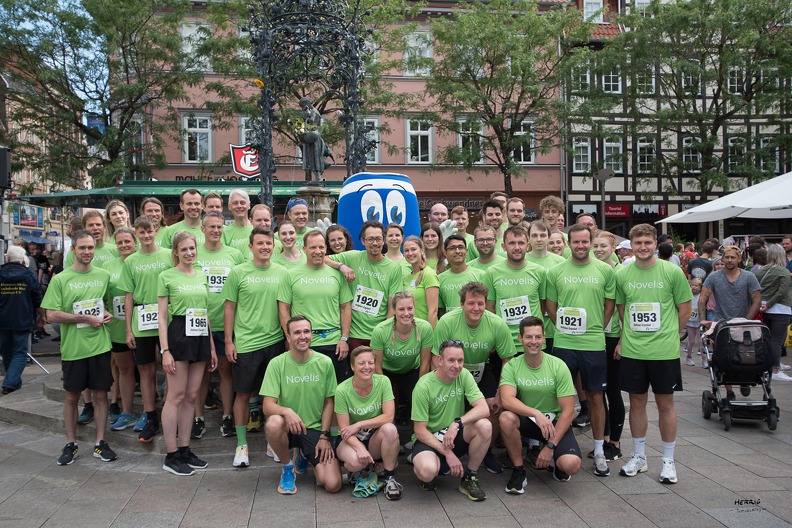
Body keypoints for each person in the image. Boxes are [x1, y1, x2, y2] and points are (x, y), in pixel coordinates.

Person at [615, 223, 692, 485]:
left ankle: (668, 461)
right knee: (636, 403)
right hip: (634, 350)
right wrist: (627, 337)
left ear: (655, 245)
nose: (643, 247)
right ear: (631, 245)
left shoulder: (671, 271)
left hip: (663, 351)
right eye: (638, 243)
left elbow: (685, 309)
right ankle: (639, 456)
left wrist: (670, 333)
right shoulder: (622, 274)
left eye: (648, 242)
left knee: (665, 404)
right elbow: (623, 309)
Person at [545, 223, 616, 478]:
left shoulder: (605, 271)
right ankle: (557, 447)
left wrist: (595, 328)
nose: (580, 246)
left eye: (585, 241)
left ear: (591, 242)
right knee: (559, 398)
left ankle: (599, 450)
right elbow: (550, 306)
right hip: (564, 343)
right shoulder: (555, 271)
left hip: (593, 344)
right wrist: (565, 329)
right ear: (568, 244)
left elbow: (610, 305)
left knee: (596, 397)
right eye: (575, 242)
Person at [42, 230, 118, 465]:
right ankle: (71, 443)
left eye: (90, 247)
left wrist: (106, 313)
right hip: (74, 349)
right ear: (73, 250)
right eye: (82, 248)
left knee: (101, 395)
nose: (87, 251)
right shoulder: (60, 279)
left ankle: (100, 442)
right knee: (72, 396)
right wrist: (84, 318)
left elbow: (106, 304)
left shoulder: (103, 275)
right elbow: (51, 314)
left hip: (100, 346)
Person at [432, 281, 516, 474]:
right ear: (462, 304)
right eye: (471, 303)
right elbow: (436, 357)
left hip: (480, 368)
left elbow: (507, 359)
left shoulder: (496, 323)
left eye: (480, 303)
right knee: (445, 402)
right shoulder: (447, 321)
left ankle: (486, 451)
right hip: (452, 371)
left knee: (494, 406)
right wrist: (440, 387)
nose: (476, 308)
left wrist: (500, 392)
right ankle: (441, 446)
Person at [223, 227, 288, 467]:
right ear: (250, 247)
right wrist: (229, 341)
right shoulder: (238, 273)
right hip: (247, 344)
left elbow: (285, 308)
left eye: (269, 243)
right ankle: (242, 445)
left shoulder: (282, 272)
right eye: (260, 243)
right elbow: (229, 308)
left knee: (274, 395)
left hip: (275, 342)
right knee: (242, 394)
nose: (265, 247)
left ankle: (273, 441)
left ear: (274, 246)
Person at [156, 231, 217, 475]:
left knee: (192, 395)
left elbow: (205, 312)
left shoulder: (201, 274)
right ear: (176, 252)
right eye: (184, 249)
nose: (189, 253)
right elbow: (162, 316)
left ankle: (184, 449)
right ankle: (171, 454)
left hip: (200, 333)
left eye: (192, 248)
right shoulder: (166, 276)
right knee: (176, 395)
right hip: (179, 333)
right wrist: (165, 350)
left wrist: (211, 347)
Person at [499, 317, 581, 493]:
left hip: (554, 424)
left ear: (544, 338)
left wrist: (550, 447)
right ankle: (519, 470)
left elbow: (568, 410)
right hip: (529, 421)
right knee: (506, 418)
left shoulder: (558, 366)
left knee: (571, 465)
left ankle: (556, 461)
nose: (533, 341)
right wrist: (536, 413)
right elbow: (506, 399)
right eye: (528, 337)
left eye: (538, 337)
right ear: (520, 338)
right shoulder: (512, 366)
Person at [262, 315, 341, 495]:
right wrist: (286, 411)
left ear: (312, 334)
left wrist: (325, 436)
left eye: (306, 331)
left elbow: (329, 402)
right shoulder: (276, 364)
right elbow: (267, 406)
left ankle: (304, 454)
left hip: (313, 428)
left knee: (332, 484)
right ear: (288, 337)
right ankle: (287, 467)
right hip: (288, 427)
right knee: (273, 423)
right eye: (297, 332)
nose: (303, 336)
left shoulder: (325, 362)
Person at [411, 339, 491, 501]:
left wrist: (457, 423)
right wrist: (448, 454)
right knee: (427, 472)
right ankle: (430, 468)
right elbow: (419, 431)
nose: (457, 365)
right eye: (451, 360)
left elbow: (484, 408)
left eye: (460, 360)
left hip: (453, 436)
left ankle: (469, 478)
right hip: (430, 440)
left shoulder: (464, 375)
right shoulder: (423, 386)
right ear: (440, 361)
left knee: (485, 425)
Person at [192, 212, 245, 439]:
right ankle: (198, 418)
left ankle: (227, 416)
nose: (215, 230)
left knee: (225, 370)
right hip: (199, 322)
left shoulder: (234, 254)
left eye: (219, 227)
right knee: (200, 373)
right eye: (211, 227)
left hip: (226, 323)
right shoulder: (194, 253)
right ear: (202, 229)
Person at [119, 215, 172, 441]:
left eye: (150, 230)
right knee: (146, 370)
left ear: (156, 231)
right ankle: (150, 417)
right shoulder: (131, 261)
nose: (147, 235)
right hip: (142, 320)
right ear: (136, 234)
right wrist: (128, 329)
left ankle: (170, 412)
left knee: (171, 368)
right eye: (142, 232)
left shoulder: (169, 255)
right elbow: (128, 296)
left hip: (167, 318)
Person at [278, 229, 352, 383]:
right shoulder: (291, 275)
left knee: (336, 390)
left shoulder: (337, 275)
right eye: (312, 247)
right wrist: (290, 338)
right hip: (304, 342)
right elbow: (284, 309)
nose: (317, 251)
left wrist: (344, 338)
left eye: (321, 247)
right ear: (304, 249)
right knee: (306, 388)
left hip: (334, 343)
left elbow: (345, 308)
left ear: (326, 248)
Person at [335, 346, 403, 500]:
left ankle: (389, 477)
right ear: (352, 366)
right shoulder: (342, 390)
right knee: (355, 462)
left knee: (390, 429)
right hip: (350, 438)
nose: (367, 367)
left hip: (373, 436)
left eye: (370, 363)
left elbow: (389, 416)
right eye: (361, 363)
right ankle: (360, 470)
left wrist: (359, 424)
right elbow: (344, 429)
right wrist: (360, 448)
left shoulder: (383, 381)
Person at [327, 220, 403, 352]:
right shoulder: (353, 257)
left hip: (378, 334)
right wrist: (341, 266)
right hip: (354, 334)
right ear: (363, 241)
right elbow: (323, 258)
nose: (375, 243)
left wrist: (385, 333)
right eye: (370, 239)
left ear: (384, 240)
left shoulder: (394, 268)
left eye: (378, 239)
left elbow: (392, 306)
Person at [699, 245, 761, 400]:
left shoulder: (748, 277)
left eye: (733, 257)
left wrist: (748, 320)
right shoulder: (714, 277)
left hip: (743, 323)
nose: (729, 260)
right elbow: (703, 298)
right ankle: (729, 391)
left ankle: (745, 380)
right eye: (726, 257)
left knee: (746, 355)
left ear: (739, 259)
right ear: (722, 259)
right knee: (723, 358)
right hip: (722, 323)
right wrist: (702, 319)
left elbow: (756, 299)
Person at [371, 292, 434, 425]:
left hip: (412, 370)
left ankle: (418, 431)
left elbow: (425, 363)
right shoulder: (381, 331)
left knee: (420, 401)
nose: (406, 313)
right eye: (401, 309)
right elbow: (376, 366)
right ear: (394, 310)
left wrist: (420, 389)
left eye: (410, 308)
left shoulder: (425, 328)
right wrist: (385, 391)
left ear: (414, 308)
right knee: (388, 407)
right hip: (386, 372)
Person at [591, 230, 625, 461]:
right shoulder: (592, 270)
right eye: (596, 246)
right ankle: (602, 438)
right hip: (595, 338)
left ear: (613, 247)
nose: (599, 250)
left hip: (614, 337)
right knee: (597, 391)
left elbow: (624, 309)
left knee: (613, 390)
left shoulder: (620, 272)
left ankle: (615, 441)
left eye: (603, 246)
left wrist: (622, 341)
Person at [484, 226, 547, 350]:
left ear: (528, 246)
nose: (517, 247)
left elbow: (542, 304)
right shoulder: (492, 272)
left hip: (533, 341)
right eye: (512, 243)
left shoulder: (539, 271)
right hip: (504, 341)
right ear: (503, 246)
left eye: (521, 243)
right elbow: (490, 308)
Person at [104, 228, 139, 431]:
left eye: (127, 241)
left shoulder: (142, 261)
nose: (124, 245)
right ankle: (127, 412)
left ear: (135, 242)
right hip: (118, 326)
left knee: (148, 369)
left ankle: (152, 412)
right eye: (120, 242)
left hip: (144, 325)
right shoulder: (108, 266)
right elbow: (101, 295)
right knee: (124, 369)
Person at [0, 246, 43, 394]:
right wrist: (42, 316)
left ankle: (13, 382)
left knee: (7, 352)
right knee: (20, 353)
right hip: (22, 318)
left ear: (8, 258)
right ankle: (10, 382)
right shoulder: (28, 275)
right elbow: (37, 298)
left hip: (3, 319)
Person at [755, 244, 792, 382]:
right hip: (780, 309)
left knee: (766, 339)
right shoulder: (783, 272)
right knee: (777, 341)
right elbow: (781, 292)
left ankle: (766, 367)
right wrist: (769, 304)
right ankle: (775, 369)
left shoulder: (760, 271)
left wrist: (764, 305)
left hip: (763, 308)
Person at [438, 235, 484, 315]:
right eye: (452, 248)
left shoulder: (481, 275)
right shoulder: (439, 279)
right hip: (451, 322)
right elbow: (441, 310)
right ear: (445, 253)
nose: (457, 251)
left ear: (466, 251)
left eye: (460, 247)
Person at [402, 236, 439, 329]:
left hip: (425, 331)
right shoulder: (406, 278)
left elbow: (433, 311)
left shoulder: (429, 274)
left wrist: (429, 334)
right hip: (410, 331)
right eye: (406, 250)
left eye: (413, 249)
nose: (410, 253)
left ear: (422, 250)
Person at [298, 97, 333, 181]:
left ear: (307, 104)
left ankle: (318, 177)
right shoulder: (313, 111)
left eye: (302, 106)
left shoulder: (313, 111)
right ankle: (317, 177)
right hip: (312, 137)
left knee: (314, 157)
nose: (302, 108)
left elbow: (311, 121)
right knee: (312, 158)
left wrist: (305, 115)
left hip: (313, 137)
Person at [685, 278, 703, 368]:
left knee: (701, 341)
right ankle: (689, 357)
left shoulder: (701, 296)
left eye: (696, 285)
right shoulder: (688, 295)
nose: (694, 287)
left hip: (699, 322)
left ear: (700, 288)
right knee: (691, 341)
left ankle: (704, 360)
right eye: (692, 285)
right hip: (690, 322)